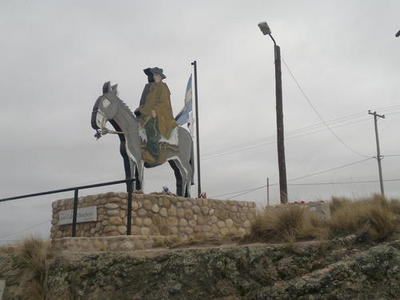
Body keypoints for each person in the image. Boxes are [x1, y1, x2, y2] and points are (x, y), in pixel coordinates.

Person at [135, 67, 177, 164]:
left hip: (162, 115)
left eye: (156, 75)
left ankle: (153, 155)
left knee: (150, 126)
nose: (155, 77)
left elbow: (165, 103)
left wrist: (156, 111)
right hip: (148, 113)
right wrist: (140, 110)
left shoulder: (163, 87)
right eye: (154, 75)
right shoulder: (151, 87)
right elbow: (147, 103)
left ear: (160, 77)